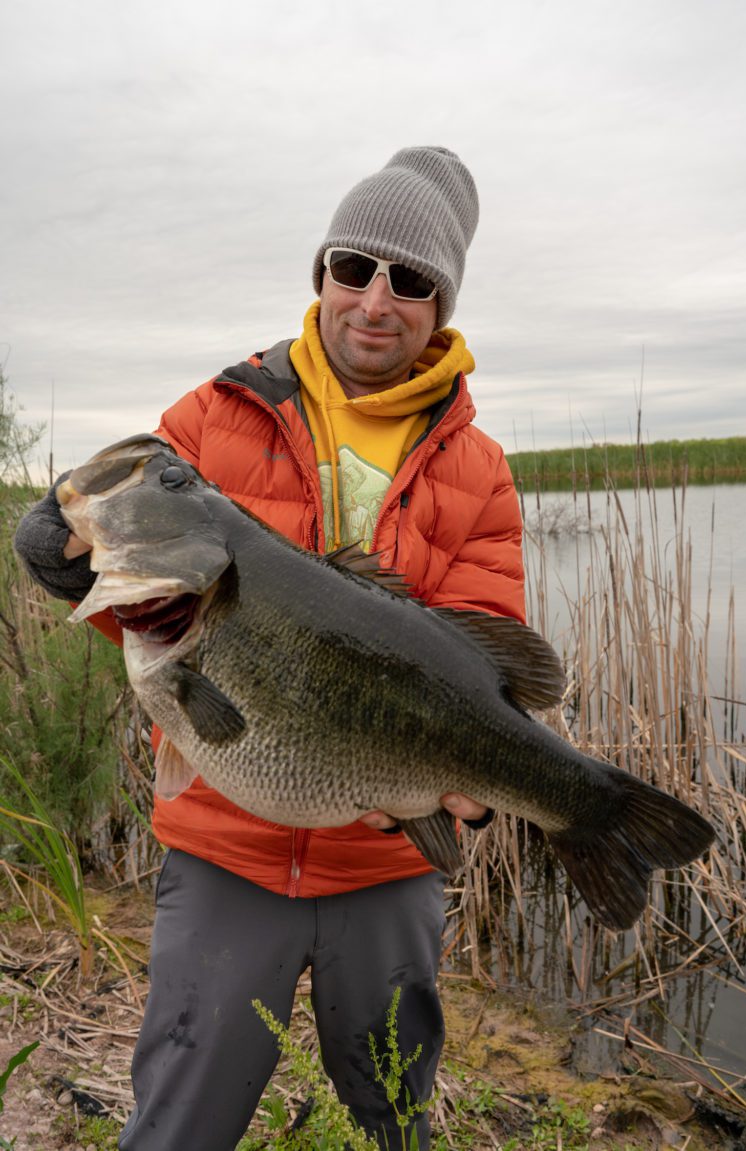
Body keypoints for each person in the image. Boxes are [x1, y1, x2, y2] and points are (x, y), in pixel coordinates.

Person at [14, 146, 526, 1151]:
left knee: (394, 1107)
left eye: (410, 279)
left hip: (384, 857)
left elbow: (484, 652)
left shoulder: (480, 469)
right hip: (223, 842)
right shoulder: (207, 422)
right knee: (182, 1112)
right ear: (322, 273)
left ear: (441, 303)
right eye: (354, 266)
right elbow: (151, 590)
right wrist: (72, 560)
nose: (376, 299)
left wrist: (483, 768)